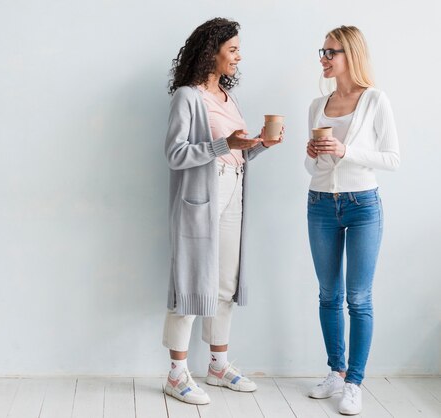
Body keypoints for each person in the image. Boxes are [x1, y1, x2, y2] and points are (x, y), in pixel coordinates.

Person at [162, 18, 283, 405]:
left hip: (234, 191)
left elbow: (236, 151)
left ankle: (217, 365)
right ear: (211, 51)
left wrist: (261, 145)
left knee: (225, 284)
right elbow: (175, 153)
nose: (238, 56)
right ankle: (177, 374)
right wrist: (221, 144)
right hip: (202, 195)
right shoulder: (188, 96)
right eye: (232, 49)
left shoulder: (230, 99)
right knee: (192, 281)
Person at [305, 25, 400, 415]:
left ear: (350, 55)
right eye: (322, 52)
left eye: (331, 52)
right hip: (321, 204)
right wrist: (313, 152)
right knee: (329, 295)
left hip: (363, 206)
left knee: (359, 298)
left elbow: (392, 159)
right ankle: (336, 373)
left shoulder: (376, 100)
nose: (324, 59)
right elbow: (311, 166)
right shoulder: (317, 104)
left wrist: (346, 150)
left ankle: (355, 382)